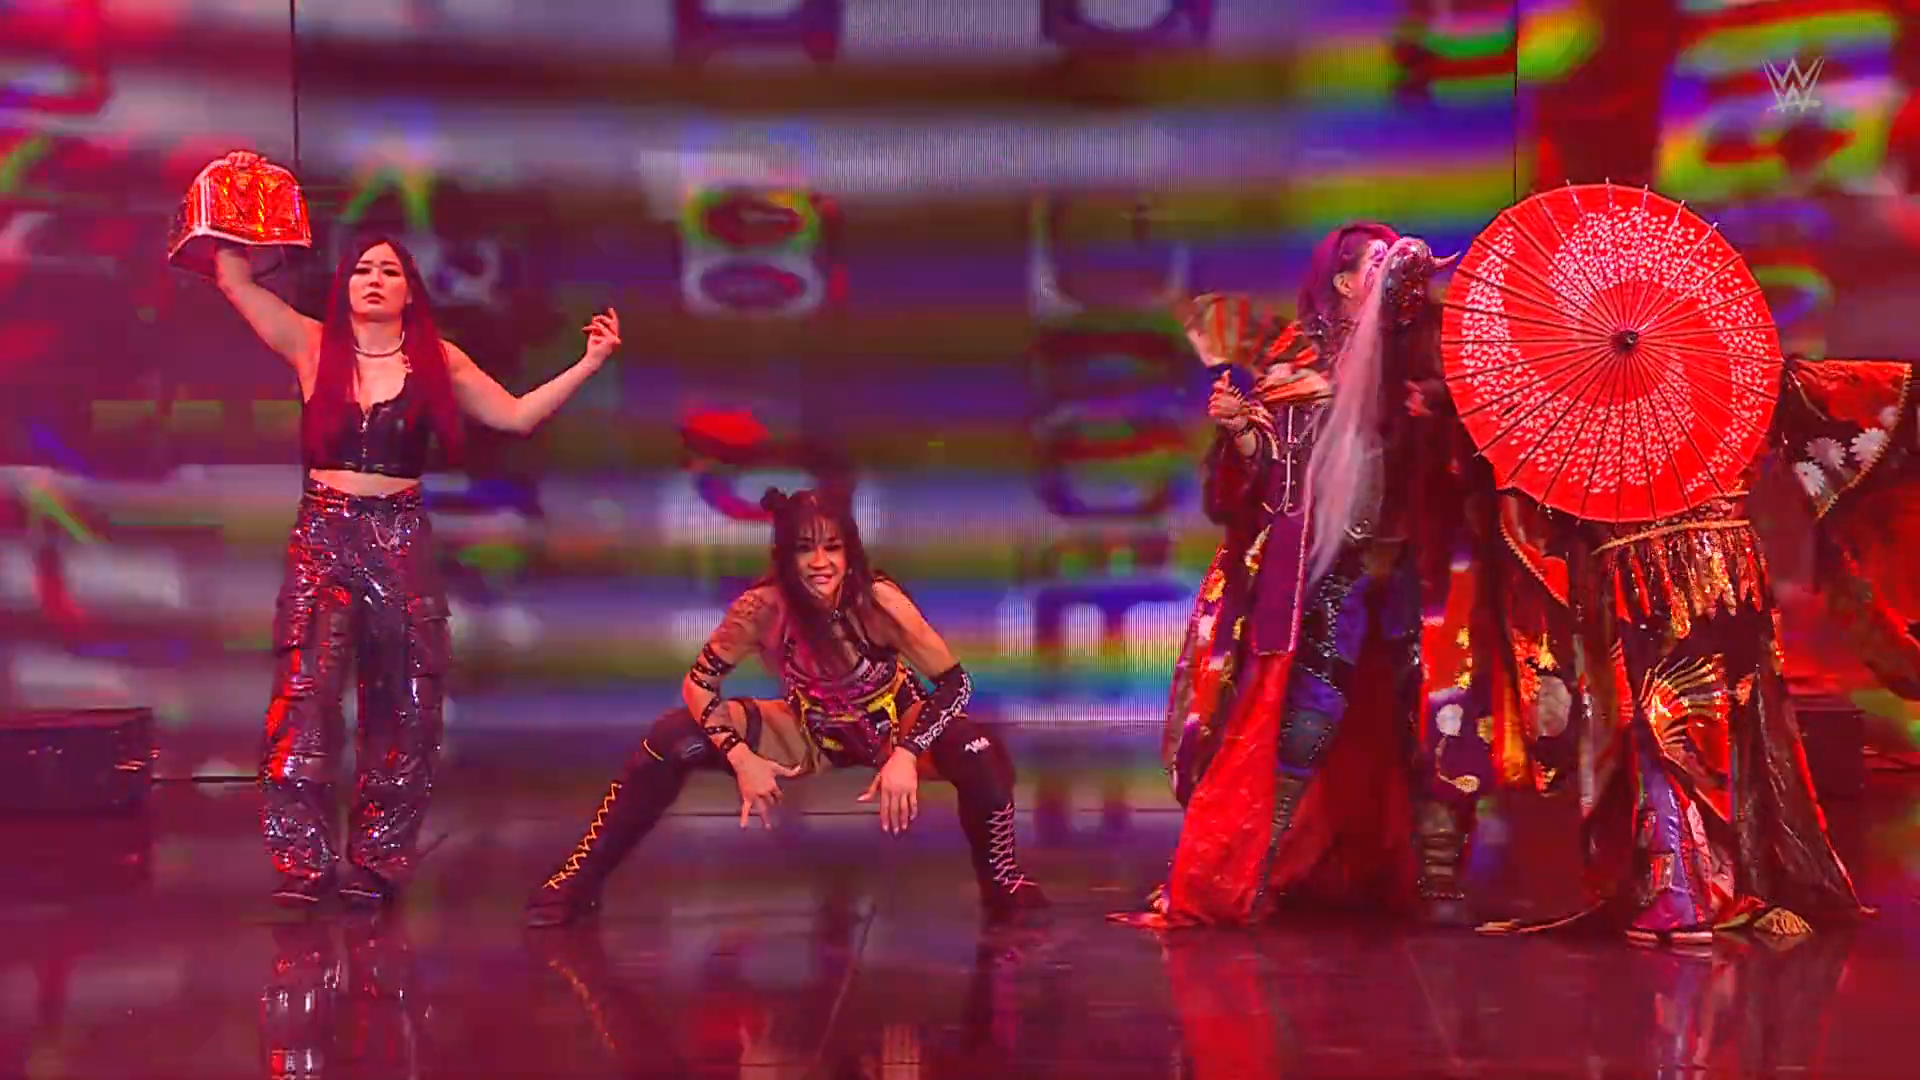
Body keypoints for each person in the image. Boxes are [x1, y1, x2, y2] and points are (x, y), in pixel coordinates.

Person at [208, 162, 621, 908]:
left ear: (409, 292)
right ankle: (302, 864)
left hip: (398, 536)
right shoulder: (312, 345)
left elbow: (516, 416)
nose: (373, 280)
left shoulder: (437, 360)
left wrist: (589, 363)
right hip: (324, 531)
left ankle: (377, 862)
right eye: (362, 270)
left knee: (402, 702)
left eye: (389, 271)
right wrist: (238, 219)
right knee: (303, 698)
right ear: (345, 286)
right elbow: (233, 281)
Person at [1468, 354, 1907, 947]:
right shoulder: (1728, 370)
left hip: (1661, 575)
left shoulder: (1593, 387)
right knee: (1715, 727)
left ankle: (1686, 895)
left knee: (1678, 729)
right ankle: (1718, 884)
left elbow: (1545, 509)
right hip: (1719, 569)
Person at [1121, 222, 1468, 929]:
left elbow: (1453, 471)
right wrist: (1243, 431)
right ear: (1343, 282)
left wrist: (1436, 413)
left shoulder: (1426, 354)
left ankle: (1433, 882)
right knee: (1310, 718)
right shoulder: (1301, 361)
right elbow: (1268, 480)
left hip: (1413, 567)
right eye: (1374, 261)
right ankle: (1259, 864)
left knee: (1432, 717)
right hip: (1337, 570)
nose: (1390, 269)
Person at [524, 487, 1049, 927]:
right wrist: (741, 757)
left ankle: (1002, 883)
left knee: (980, 749)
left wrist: (907, 754)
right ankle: (578, 882)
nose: (820, 564)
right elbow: (699, 684)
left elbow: (956, 683)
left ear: (850, 552)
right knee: (671, 737)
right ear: (784, 555)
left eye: (833, 548)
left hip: (892, 723)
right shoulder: (762, 607)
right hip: (808, 728)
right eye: (804, 550)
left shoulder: (880, 602)